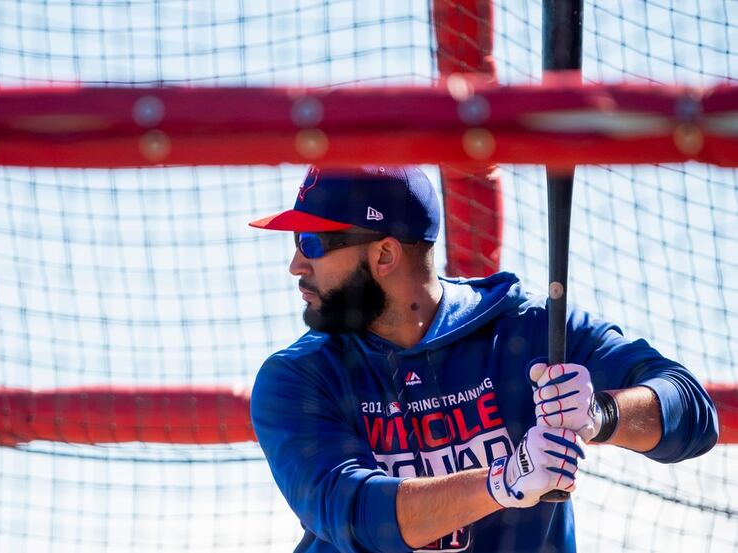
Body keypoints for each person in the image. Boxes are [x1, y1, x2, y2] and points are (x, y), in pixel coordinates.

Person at [248, 165, 718, 553]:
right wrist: (504, 482)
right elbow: (354, 515)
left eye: (311, 244)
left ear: (385, 253)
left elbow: (694, 414)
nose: (296, 266)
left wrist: (600, 415)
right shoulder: (298, 376)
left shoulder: (525, 326)